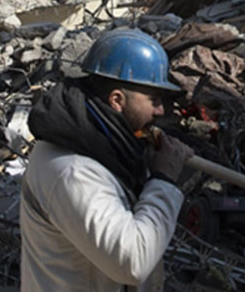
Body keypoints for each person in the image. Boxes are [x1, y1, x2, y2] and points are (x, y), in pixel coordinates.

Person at [20, 28, 194, 291]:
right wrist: (163, 179)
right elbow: (131, 263)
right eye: (154, 100)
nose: (161, 111)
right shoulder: (74, 172)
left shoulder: (104, 146)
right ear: (117, 100)